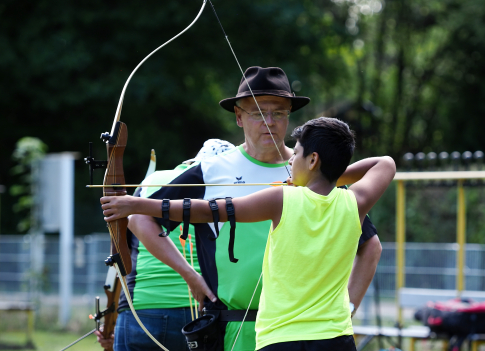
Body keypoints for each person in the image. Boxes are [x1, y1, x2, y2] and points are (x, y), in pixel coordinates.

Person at [111, 66, 382, 351]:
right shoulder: (212, 170)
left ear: (289, 115)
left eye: (279, 112)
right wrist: (190, 275)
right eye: (257, 112)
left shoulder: (312, 174)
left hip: (303, 332)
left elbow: (370, 246)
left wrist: (347, 307)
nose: (269, 121)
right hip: (231, 328)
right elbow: (141, 219)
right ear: (239, 117)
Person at [95, 140, 235, 351]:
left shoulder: (155, 179)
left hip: (143, 307)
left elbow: (123, 245)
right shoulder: (232, 185)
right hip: (205, 307)